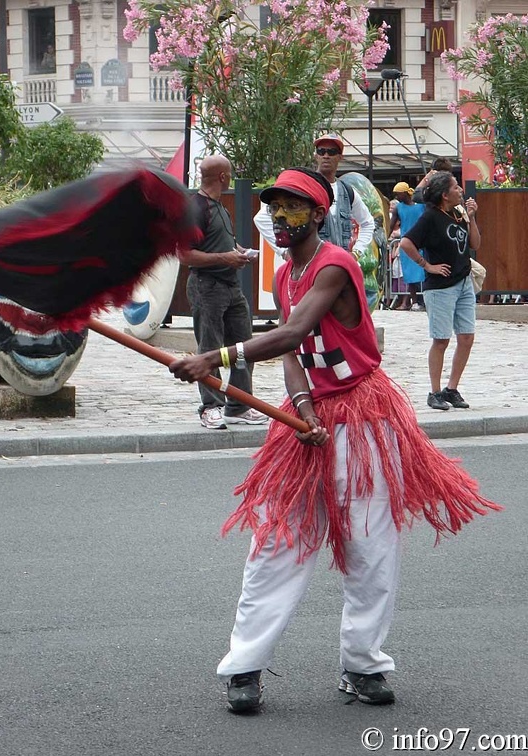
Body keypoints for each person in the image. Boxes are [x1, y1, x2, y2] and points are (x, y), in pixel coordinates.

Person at [170, 167, 500, 712]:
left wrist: (216, 357)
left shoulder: (335, 264)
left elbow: (294, 331)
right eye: (274, 209)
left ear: (319, 215)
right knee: (277, 541)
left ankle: (363, 665)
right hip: (309, 422)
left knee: (372, 545)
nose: (279, 218)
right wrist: (301, 411)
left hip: (365, 417)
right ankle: (245, 667)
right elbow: (293, 356)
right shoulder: (283, 275)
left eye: (291, 209)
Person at [178, 155, 267, 429]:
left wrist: (238, 251)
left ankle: (239, 406)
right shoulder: (195, 208)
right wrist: (225, 259)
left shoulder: (218, 207)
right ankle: (211, 406)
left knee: (243, 347)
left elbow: (217, 241)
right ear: (223, 177)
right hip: (207, 286)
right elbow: (185, 255)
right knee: (209, 347)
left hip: (230, 286)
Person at [398, 172, 480, 411]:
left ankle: (452, 389)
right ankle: (434, 392)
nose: (460, 190)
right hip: (440, 288)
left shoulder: (458, 213)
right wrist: (427, 266)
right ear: (445, 195)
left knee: (466, 337)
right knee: (441, 339)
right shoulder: (430, 217)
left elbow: (475, 244)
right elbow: (405, 243)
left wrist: (472, 218)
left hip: (463, 281)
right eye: (456, 187)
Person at [253, 134, 374, 260]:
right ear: (316, 156)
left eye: (332, 152)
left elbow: (368, 223)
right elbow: (261, 218)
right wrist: (284, 253)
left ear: (340, 157)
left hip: (340, 267)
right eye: (321, 151)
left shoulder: (348, 191)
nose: (326, 156)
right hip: (309, 265)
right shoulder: (303, 186)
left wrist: (356, 253)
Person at [389, 182, 425, 311]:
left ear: (405, 193)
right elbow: (392, 223)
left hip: (421, 243)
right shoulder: (398, 208)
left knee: (423, 272)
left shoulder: (422, 207)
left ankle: (424, 300)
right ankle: (414, 301)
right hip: (406, 244)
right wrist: (387, 239)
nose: (397, 197)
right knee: (409, 274)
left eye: (398, 194)